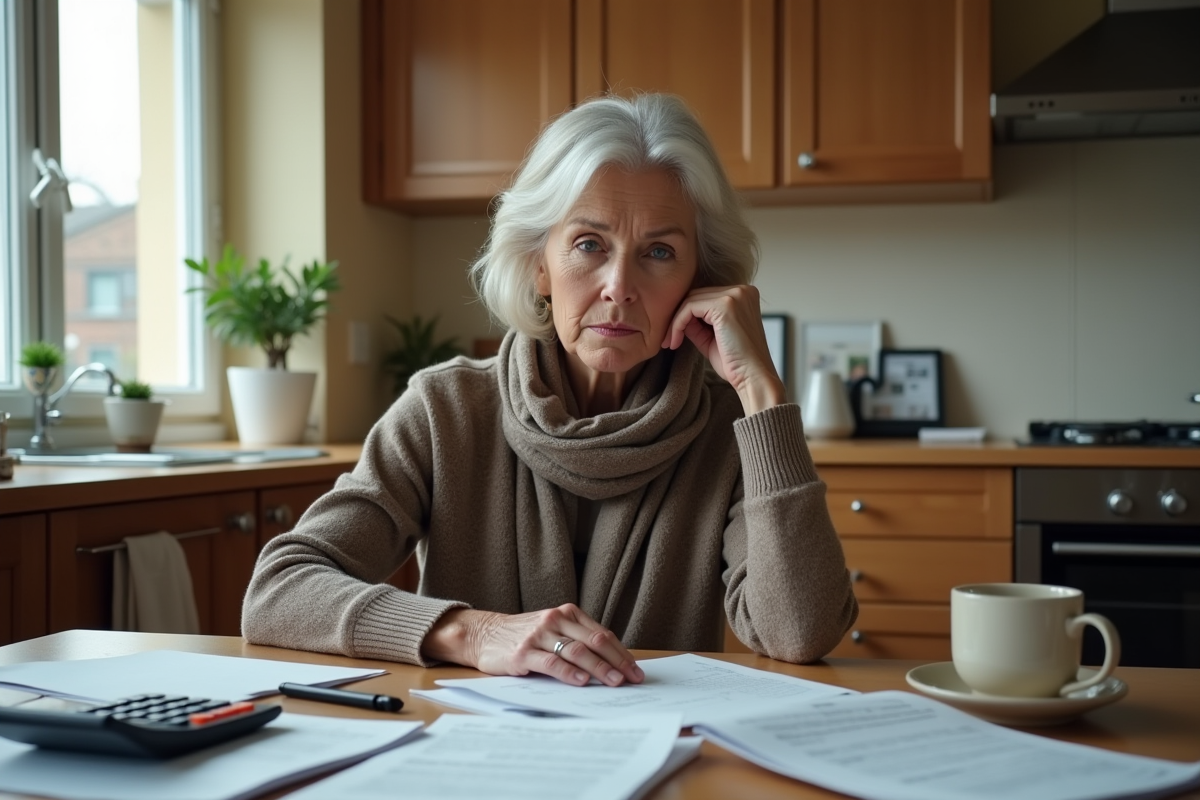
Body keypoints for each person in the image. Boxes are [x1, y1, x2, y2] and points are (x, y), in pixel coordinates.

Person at [242, 93, 858, 688]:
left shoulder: (732, 431)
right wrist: (474, 633)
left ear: (700, 279)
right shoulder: (445, 410)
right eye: (589, 244)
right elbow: (279, 590)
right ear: (540, 263)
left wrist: (763, 396)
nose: (619, 285)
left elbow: (798, 633)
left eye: (660, 252)